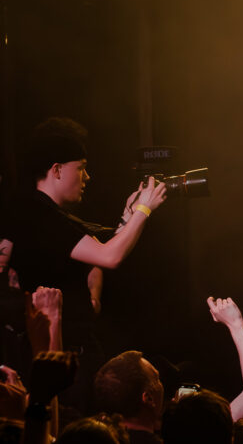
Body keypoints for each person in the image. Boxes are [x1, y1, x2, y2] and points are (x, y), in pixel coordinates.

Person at [8, 118, 167, 406]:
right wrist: (144, 209)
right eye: (81, 168)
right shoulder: (39, 217)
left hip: (74, 348)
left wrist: (129, 215)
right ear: (57, 170)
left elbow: (105, 246)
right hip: (59, 354)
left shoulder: (51, 215)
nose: (87, 177)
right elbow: (109, 256)